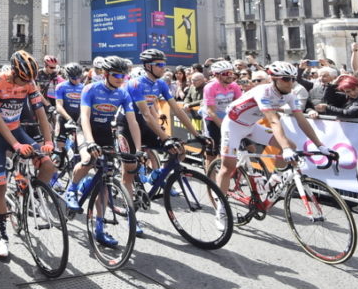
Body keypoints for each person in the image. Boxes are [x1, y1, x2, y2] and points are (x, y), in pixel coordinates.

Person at [213, 61, 335, 230]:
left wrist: (321, 146)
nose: (290, 82)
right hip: (233, 126)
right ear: (274, 79)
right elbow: (273, 121)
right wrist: (284, 150)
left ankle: (275, 178)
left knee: (290, 145)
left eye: (293, 78)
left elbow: (302, 121)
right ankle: (221, 209)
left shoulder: (290, 95)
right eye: (286, 79)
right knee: (228, 168)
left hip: (251, 126)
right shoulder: (264, 92)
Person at [124, 48, 205, 235]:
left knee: (179, 150)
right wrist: (165, 138)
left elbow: (177, 109)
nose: (163, 67)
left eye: (163, 63)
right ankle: (131, 217)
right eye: (159, 64)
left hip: (146, 125)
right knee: (128, 173)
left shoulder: (160, 84)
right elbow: (145, 113)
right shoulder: (136, 83)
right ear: (147, 66)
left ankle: (156, 175)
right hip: (128, 126)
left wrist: (197, 133)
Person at [62, 57, 141, 247]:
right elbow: (85, 118)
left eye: (123, 75)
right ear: (105, 74)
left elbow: (132, 121)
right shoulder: (91, 89)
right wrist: (89, 142)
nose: (121, 78)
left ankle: (99, 228)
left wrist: (138, 150)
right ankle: (71, 189)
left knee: (106, 180)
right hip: (85, 130)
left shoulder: (123, 93)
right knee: (89, 158)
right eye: (116, 75)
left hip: (105, 133)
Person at [0, 51, 56, 259]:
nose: (23, 84)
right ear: (14, 71)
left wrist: (48, 140)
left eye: (28, 80)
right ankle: (3, 237)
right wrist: (15, 145)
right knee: (0, 188)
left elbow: (40, 112)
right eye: (21, 79)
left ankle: (28, 198)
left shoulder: (29, 82)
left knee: (49, 166)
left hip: (17, 129)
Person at [201, 61, 243, 168]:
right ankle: (210, 182)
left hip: (227, 118)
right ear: (216, 75)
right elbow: (211, 111)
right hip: (212, 119)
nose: (230, 76)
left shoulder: (234, 86)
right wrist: (222, 126)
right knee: (211, 153)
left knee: (244, 145)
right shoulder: (210, 87)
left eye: (231, 73)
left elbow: (240, 105)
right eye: (226, 74)